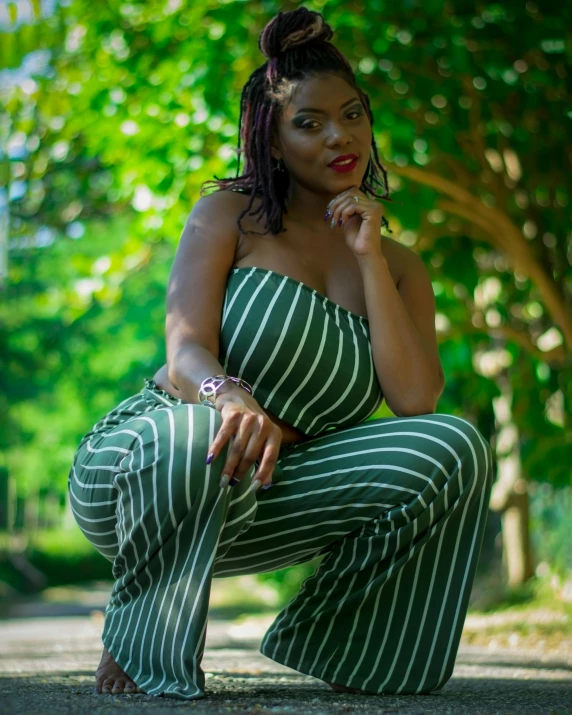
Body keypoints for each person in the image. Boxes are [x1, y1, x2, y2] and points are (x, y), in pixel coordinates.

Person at [68, 7, 494, 701]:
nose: (340, 136)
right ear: (271, 141)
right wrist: (227, 393)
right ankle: (144, 634)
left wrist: (369, 258)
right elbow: (184, 353)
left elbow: (416, 401)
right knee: (198, 430)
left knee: (454, 444)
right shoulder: (228, 216)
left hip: (267, 495)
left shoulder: (400, 265)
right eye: (310, 123)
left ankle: (347, 646)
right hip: (150, 465)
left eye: (352, 115)